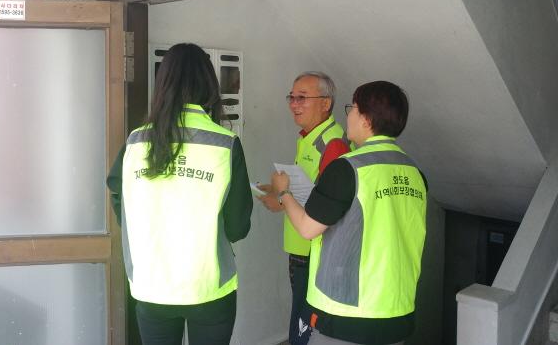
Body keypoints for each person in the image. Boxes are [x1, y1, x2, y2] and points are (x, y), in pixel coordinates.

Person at [106, 43, 253, 345]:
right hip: (209, 287)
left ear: (162, 83)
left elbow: (119, 198)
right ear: (209, 85)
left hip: (151, 285)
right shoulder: (225, 144)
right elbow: (238, 227)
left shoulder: (135, 142)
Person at [272, 81, 427, 345]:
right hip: (397, 311)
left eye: (353, 108)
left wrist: (283, 192)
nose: (349, 116)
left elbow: (308, 228)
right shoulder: (415, 173)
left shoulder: (347, 169)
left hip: (346, 314)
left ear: (366, 119)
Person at [258, 71, 350, 345]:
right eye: (292, 97)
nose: (294, 104)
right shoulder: (309, 137)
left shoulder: (333, 144)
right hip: (301, 247)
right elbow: (310, 188)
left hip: (315, 252)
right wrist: (276, 191)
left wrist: (282, 198)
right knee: (300, 319)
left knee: (304, 329)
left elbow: (329, 205)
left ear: (326, 103)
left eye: (302, 97)